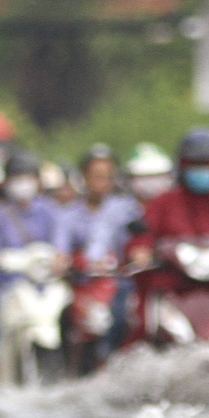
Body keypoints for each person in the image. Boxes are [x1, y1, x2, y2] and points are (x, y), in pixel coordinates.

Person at [130, 126, 209, 269]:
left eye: (208, 165)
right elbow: (144, 236)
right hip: (172, 284)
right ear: (181, 166)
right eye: (194, 165)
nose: (201, 170)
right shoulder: (162, 204)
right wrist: (141, 250)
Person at [56, 145, 141, 355]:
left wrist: (138, 253)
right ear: (84, 177)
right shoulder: (69, 215)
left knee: (125, 316)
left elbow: (138, 241)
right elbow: (60, 250)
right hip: (82, 284)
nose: (103, 182)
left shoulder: (127, 209)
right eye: (97, 176)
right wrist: (63, 261)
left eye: (108, 176)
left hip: (118, 282)